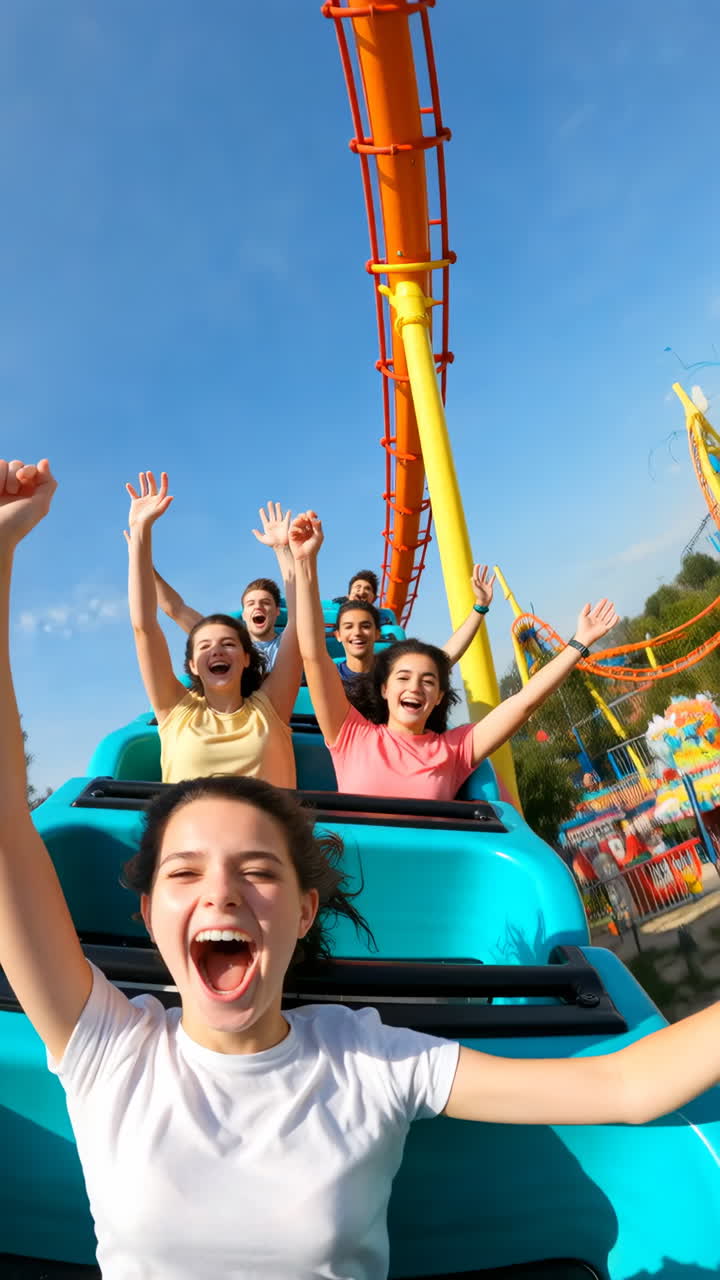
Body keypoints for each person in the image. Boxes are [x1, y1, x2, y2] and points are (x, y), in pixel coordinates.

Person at [4, 459, 720, 1279]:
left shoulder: (369, 1060)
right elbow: (5, 833)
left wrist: (304, 574)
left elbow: (626, 1087)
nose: (222, 890)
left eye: (257, 871)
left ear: (308, 908)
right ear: (146, 911)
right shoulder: (107, 1050)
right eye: (185, 873)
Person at [290, 509, 619, 801]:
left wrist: (578, 644)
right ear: (384, 689)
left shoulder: (454, 750)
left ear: (438, 696)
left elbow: (524, 702)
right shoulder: (350, 734)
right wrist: (305, 561)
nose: (415, 687)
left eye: (428, 681)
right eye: (403, 677)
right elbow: (314, 655)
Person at [126, 472, 301, 787]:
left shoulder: (270, 707)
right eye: (204, 646)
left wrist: (283, 551)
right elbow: (145, 628)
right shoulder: (175, 709)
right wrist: (140, 534)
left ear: (247, 657)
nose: (217, 650)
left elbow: (300, 626)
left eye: (229, 644)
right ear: (192, 663)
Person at [147, 502, 293, 671]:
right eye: (251, 603)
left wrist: (282, 548)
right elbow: (175, 609)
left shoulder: (288, 644)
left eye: (265, 602)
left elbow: (299, 606)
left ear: (277, 611)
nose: (258, 606)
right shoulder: (228, 648)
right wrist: (144, 566)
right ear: (244, 614)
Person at [335, 563, 495, 688]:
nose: (357, 632)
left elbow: (445, 658)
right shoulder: (331, 673)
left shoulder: (390, 669)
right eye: (348, 626)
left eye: (365, 625)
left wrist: (480, 607)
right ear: (338, 634)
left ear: (377, 633)